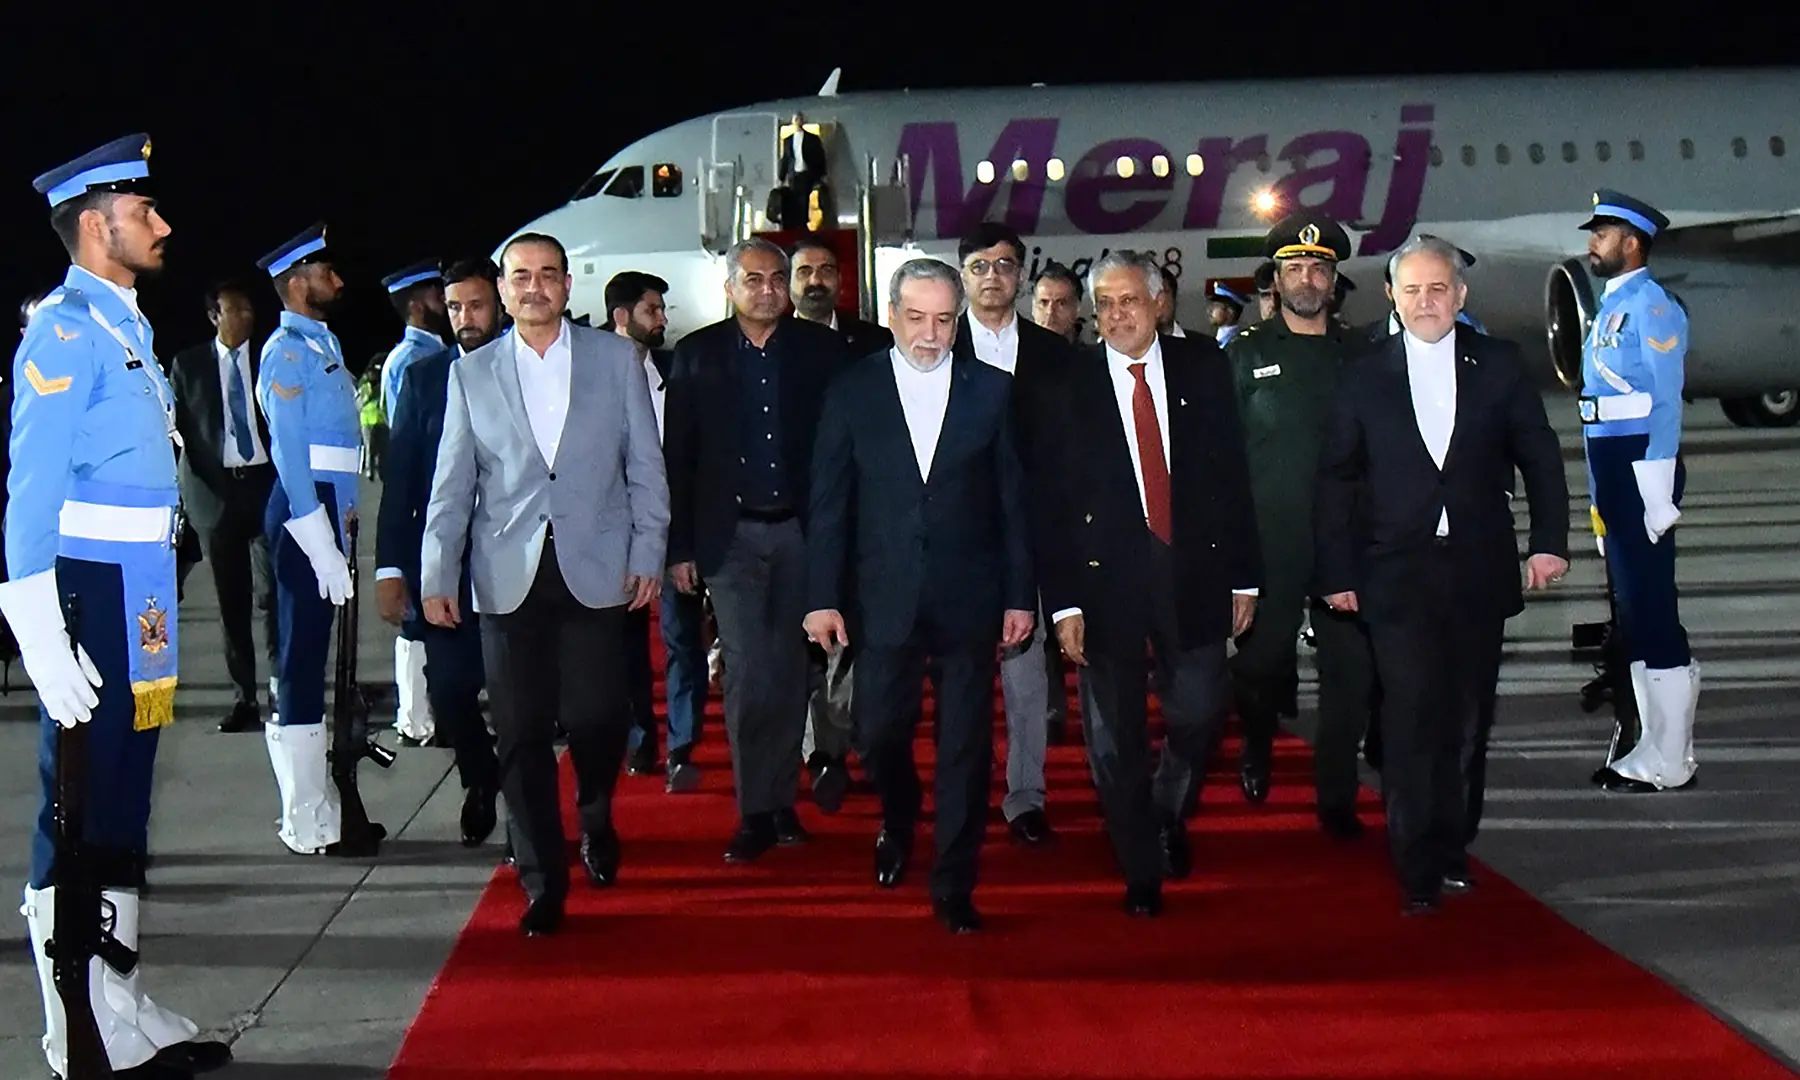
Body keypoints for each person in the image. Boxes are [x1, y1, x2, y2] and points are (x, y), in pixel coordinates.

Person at [6, 132, 232, 1080]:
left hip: (138, 584)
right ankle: (76, 1030)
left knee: (125, 796)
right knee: (81, 796)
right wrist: (37, 627)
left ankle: (119, 1001)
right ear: (98, 226)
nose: (163, 223)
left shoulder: (123, 326)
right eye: (145, 213)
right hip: (88, 586)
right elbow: (30, 488)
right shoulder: (62, 329)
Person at [1314, 234, 1569, 914]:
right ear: (1391, 299)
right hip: (1394, 573)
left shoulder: (1501, 366)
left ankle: (1454, 844)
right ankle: (1415, 862)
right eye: (1412, 290)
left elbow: (1539, 457)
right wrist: (1336, 570)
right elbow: (1338, 478)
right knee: (1410, 718)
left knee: (1467, 720)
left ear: (1459, 297)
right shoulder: (1362, 373)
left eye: (1438, 289)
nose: (1426, 301)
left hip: (1478, 571)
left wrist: (1549, 543)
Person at [422, 233, 667, 936]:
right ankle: (541, 877)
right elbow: (453, 484)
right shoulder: (471, 374)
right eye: (520, 276)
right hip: (507, 575)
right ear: (502, 289)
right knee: (521, 732)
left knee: (597, 717)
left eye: (547, 276)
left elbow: (646, 469)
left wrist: (648, 551)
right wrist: (438, 571)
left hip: (597, 569)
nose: (534, 288)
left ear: (567, 286)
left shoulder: (617, 360)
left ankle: (594, 812)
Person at [805, 258, 1034, 934]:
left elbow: (1014, 503)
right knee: (877, 734)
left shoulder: (993, 390)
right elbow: (828, 503)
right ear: (890, 315)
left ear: (957, 319)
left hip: (970, 596)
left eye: (943, 320)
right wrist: (822, 595)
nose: (930, 334)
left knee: (966, 746)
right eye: (916, 318)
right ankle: (899, 814)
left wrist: (1021, 594)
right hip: (882, 599)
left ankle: (954, 880)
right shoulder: (852, 391)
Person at [1033, 250, 1260, 916]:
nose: (1116, 316)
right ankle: (1139, 863)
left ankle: (1165, 807)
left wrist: (1245, 575)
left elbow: (1231, 478)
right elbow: (1051, 503)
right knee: (1112, 735)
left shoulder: (1204, 368)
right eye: (1103, 305)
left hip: (1193, 572)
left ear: (1160, 304)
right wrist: (1064, 601)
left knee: (1199, 711)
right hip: (1104, 586)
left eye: (1129, 301)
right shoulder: (1067, 385)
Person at [663, 237, 849, 863]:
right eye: (754, 280)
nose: (767, 290)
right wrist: (679, 547)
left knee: (793, 671)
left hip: (802, 531)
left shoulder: (823, 352)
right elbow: (679, 459)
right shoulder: (695, 356)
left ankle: (783, 802)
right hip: (730, 537)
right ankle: (754, 810)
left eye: (777, 279)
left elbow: (838, 452)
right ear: (730, 288)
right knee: (749, 670)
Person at [1224, 214, 1376, 836]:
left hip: (1347, 546)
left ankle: (1336, 802)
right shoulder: (1244, 356)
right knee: (1260, 670)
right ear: (1277, 280)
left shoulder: (1364, 355)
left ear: (1335, 280)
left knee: (1350, 679)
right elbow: (1221, 462)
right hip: (1271, 546)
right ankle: (1258, 739)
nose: (1307, 279)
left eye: (1319, 268)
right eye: (1294, 269)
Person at [375, 257, 502, 848]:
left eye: (476, 305)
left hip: (518, 570)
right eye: (455, 308)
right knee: (449, 693)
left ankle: (524, 820)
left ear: (498, 302)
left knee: (518, 700)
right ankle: (481, 780)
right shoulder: (426, 379)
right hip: (445, 574)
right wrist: (390, 568)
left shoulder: (524, 370)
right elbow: (401, 479)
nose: (465, 319)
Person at [952, 222, 1072, 842]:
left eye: (1004, 264)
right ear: (963, 275)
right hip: (963, 542)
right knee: (965, 677)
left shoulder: (1058, 356)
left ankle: (1026, 796)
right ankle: (963, 791)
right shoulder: (938, 347)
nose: (993, 274)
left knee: (1029, 678)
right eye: (980, 264)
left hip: (1042, 537)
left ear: (1021, 275)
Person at [1576, 190, 1698, 793]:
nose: (1592, 243)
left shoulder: (1652, 306)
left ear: (1632, 242)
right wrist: (1601, 500)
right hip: (1614, 464)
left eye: (1601, 233)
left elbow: (1665, 399)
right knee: (1634, 611)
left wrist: (1656, 480)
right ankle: (1652, 746)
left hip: (1641, 461)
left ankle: (1671, 757)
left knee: (1653, 610)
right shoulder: (1609, 307)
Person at [254, 223, 366, 856]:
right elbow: (290, 451)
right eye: (327, 273)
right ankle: (304, 815)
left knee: (318, 652)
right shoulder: (286, 351)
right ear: (298, 284)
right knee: (300, 657)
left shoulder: (320, 343)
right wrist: (315, 533)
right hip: (306, 509)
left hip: (328, 507)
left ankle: (320, 801)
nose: (338, 281)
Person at [606, 269, 706, 793]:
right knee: (623, 646)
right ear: (622, 317)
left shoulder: (677, 372)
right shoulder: (591, 376)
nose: (662, 319)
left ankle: (683, 746)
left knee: (682, 639)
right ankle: (640, 738)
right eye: (652, 310)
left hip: (673, 530)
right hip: (614, 535)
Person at [167, 280, 279, 734]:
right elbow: (182, 433)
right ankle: (244, 697)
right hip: (216, 496)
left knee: (273, 594)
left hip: (265, 487)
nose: (246, 317)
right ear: (215, 315)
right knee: (230, 602)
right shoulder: (189, 366)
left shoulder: (270, 359)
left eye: (250, 309)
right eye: (236, 310)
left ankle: (282, 687)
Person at [377, 260, 452, 747]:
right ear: (417, 303)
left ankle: (424, 712)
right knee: (417, 622)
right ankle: (415, 716)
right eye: (436, 294)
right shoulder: (411, 362)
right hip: (423, 503)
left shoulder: (429, 355)